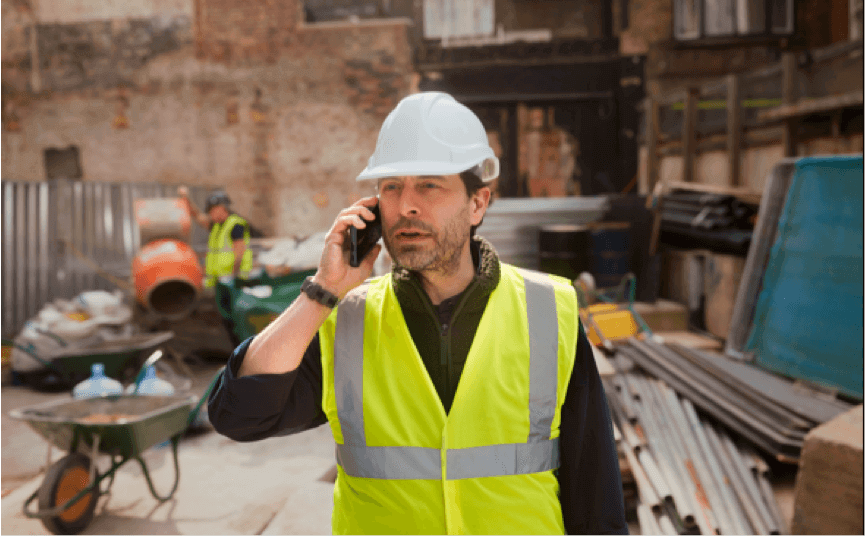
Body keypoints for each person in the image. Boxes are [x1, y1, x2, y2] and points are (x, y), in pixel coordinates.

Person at [207, 92, 627, 535]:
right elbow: (238, 414)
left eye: (429, 185)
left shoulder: (549, 310)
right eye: (391, 187)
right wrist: (323, 290)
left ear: (478, 203)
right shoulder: (346, 320)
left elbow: (595, 497)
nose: (406, 205)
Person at [178, 187, 253, 287]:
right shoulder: (216, 226)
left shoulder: (236, 225)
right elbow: (198, 216)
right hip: (218, 281)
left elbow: (239, 254)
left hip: (233, 281)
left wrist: (232, 277)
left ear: (221, 208)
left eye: (211, 210)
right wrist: (186, 198)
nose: (209, 214)